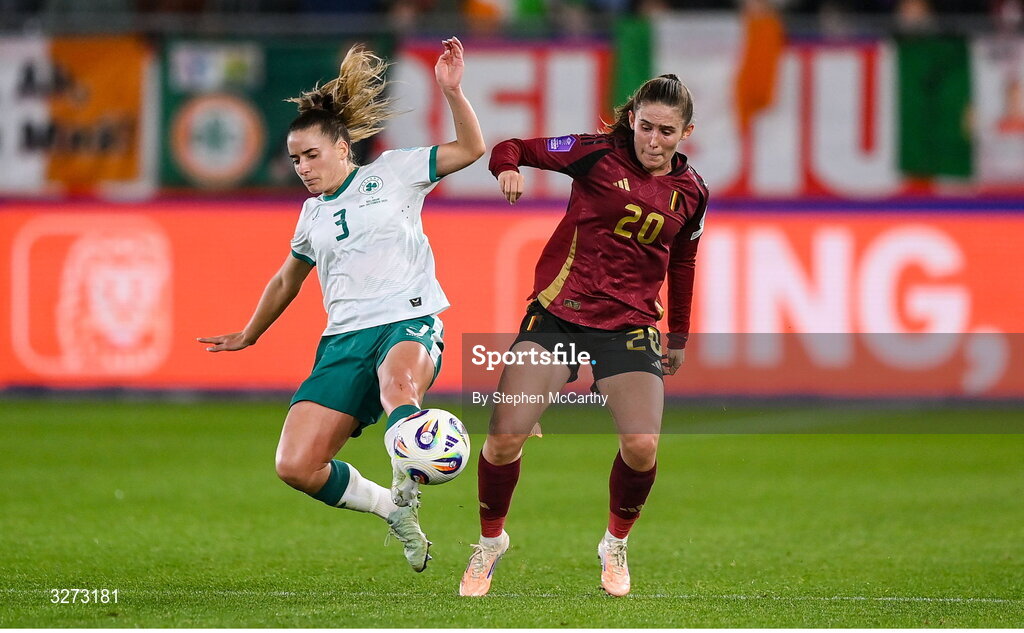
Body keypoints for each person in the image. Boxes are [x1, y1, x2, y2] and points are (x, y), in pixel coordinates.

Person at [198, 37, 485, 573]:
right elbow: (287, 282)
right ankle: (394, 507)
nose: (303, 167)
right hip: (343, 340)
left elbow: (470, 149)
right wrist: (249, 333)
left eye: (312, 155)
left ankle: (415, 455)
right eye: (295, 159)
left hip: (407, 318)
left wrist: (453, 91)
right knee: (296, 465)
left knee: (399, 387)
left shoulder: (396, 172)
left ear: (343, 149)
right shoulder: (311, 216)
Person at [459, 74, 708, 597]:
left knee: (642, 446)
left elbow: (683, 261)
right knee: (504, 438)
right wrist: (506, 169)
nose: (654, 141)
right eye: (645, 127)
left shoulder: (692, 193)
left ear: (686, 131)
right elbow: (514, 147)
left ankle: (615, 543)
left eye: (667, 131)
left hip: (631, 326)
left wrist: (679, 334)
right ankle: (489, 544)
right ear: (632, 120)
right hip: (560, 315)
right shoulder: (594, 154)